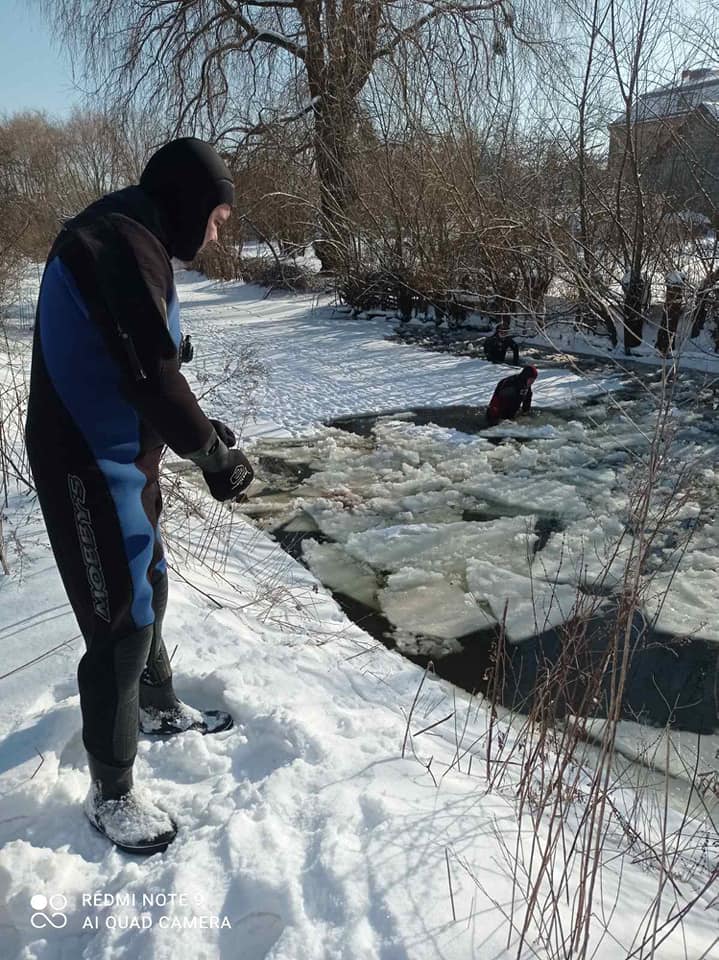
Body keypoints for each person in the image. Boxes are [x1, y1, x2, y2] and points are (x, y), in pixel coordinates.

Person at [25, 138, 254, 854]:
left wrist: (200, 430)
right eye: (217, 217)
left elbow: (142, 366)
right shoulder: (114, 244)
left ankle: (156, 709)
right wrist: (214, 457)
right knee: (119, 621)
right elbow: (150, 376)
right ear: (188, 202)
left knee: (148, 584)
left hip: (124, 453)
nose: (218, 234)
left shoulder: (136, 236)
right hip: (83, 462)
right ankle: (112, 791)